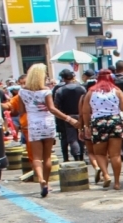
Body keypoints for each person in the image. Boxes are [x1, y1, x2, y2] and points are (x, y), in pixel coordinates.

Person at [16, 64, 79, 197]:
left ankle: (41, 180)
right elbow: (52, 109)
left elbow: (21, 111)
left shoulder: (22, 92)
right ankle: (47, 182)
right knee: (47, 156)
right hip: (47, 123)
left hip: (33, 123)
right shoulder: (46, 91)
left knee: (37, 157)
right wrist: (69, 119)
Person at [81, 69, 123, 189]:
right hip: (115, 121)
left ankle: (106, 175)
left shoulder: (91, 92)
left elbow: (85, 111)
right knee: (115, 155)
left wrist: (87, 126)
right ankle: (117, 182)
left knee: (100, 153)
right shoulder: (117, 90)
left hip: (98, 123)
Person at [54, 69, 87, 162]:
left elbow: (56, 105)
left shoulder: (60, 90)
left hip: (67, 116)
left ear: (63, 78)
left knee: (72, 138)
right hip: (80, 114)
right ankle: (81, 156)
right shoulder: (81, 88)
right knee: (80, 136)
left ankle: (76, 155)